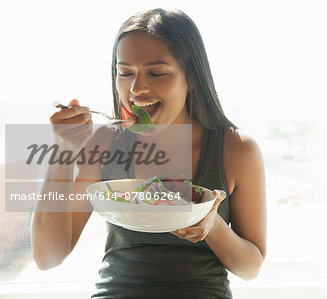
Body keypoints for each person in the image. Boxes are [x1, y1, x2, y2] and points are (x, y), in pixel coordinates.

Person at [31, 8, 266, 299]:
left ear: (191, 77)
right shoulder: (105, 142)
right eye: (125, 73)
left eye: (157, 73)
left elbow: (250, 268)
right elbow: (47, 257)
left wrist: (212, 224)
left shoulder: (237, 149)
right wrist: (61, 152)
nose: (136, 89)